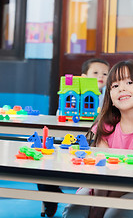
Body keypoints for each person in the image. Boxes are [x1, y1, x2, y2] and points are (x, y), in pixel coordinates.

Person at [63, 59, 133, 218]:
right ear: (110, 97)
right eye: (115, 86)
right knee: (74, 211)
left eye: (129, 82)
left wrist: (102, 208)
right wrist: (99, 204)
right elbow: (101, 171)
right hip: (98, 188)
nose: (121, 89)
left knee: (115, 214)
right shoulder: (104, 127)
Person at [38, 58, 110, 217]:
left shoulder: (109, 98)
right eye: (96, 73)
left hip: (94, 147)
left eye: (105, 73)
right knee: (44, 166)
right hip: (69, 143)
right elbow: (60, 116)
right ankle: (51, 197)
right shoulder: (72, 94)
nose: (101, 76)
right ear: (84, 77)